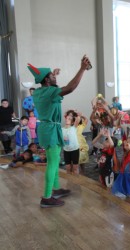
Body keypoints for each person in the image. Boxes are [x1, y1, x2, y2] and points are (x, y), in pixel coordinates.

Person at [28, 55, 91, 208]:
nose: (54, 77)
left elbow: (51, 89)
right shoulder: (49, 92)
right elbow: (69, 88)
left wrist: (53, 76)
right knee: (53, 163)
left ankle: (55, 189)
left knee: (53, 160)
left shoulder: (38, 92)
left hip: (47, 128)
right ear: (47, 81)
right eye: (51, 76)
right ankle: (47, 197)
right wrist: (82, 69)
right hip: (50, 130)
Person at [62, 110, 80, 175]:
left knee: (75, 168)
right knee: (68, 167)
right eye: (67, 118)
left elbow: (78, 119)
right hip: (66, 150)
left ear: (72, 121)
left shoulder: (73, 127)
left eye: (70, 118)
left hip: (74, 149)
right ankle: (69, 182)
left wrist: (76, 113)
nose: (67, 119)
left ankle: (75, 182)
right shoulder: (62, 129)